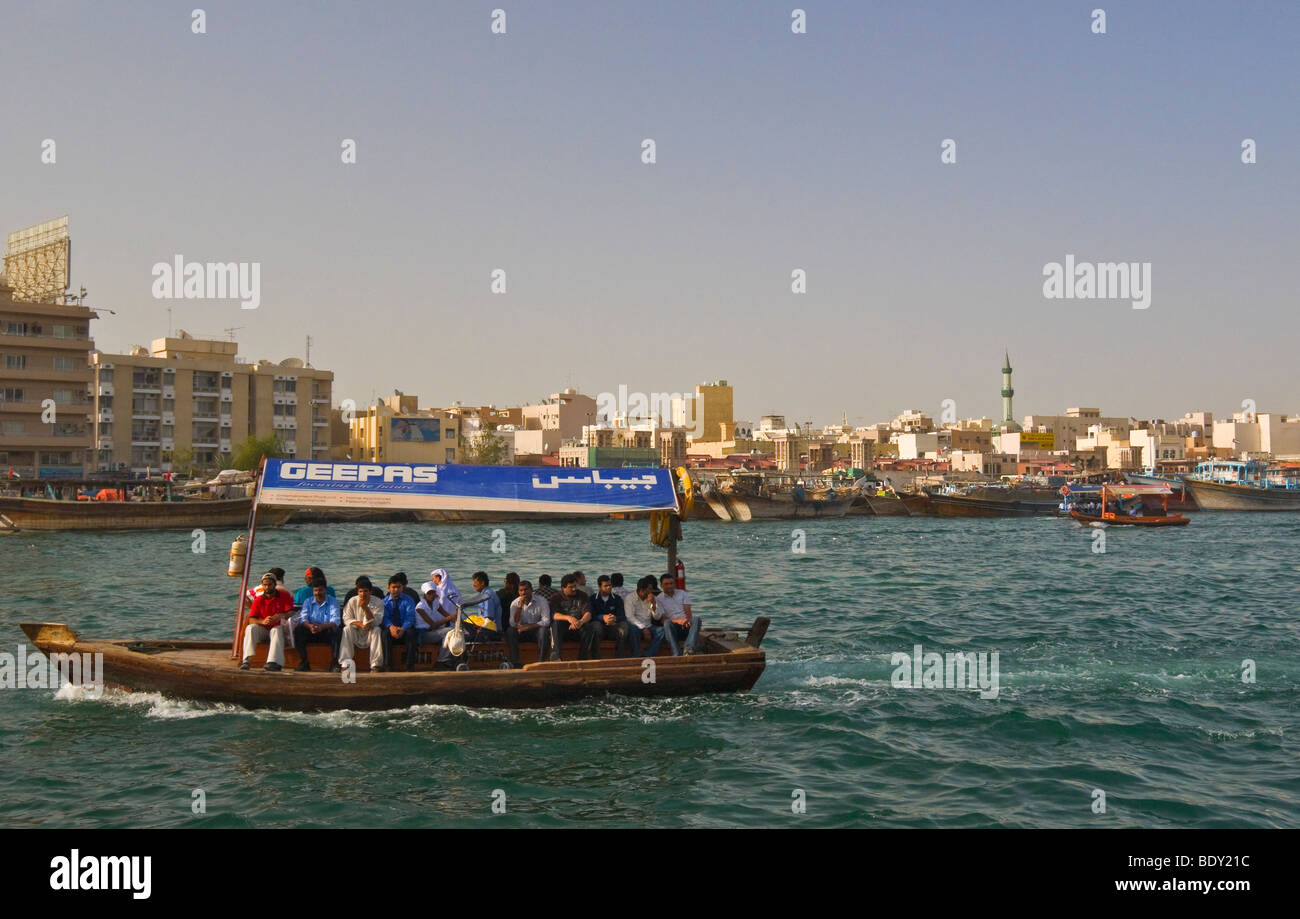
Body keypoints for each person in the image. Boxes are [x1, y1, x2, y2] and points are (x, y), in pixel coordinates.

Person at [240, 571, 295, 671]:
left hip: (278, 628)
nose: (267, 587)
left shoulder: (284, 596)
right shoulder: (259, 600)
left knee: (276, 630)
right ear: (262, 585)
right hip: (264, 629)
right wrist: (262, 622)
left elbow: (291, 612)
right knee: (250, 628)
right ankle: (246, 660)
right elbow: (252, 619)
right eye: (265, 585)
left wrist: (281, 616)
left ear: (274, 584)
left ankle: (273, 662)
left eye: (269, 585)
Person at [292, 576, 342, 671]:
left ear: (325, 590)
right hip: (312, 630)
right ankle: (304, 662)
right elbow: (303, 619)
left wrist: (322, 627)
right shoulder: (308, 601)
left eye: (320, 590)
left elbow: (335, 620)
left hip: (326, 630)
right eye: (315, 591)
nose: (318, 593)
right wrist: (310, 626)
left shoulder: (333, 601)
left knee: (337, 631)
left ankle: (335, 663)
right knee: (299, 630)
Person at [339, 575, 385, 673]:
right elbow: (346, 618)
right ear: (357, 592)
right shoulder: (352, 601)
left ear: (370, 591)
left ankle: (375, 665)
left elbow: (377, 621)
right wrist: (360, 624)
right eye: (360, 591)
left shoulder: (378, 602)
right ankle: (345, 664)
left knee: (377, 630)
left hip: (370, 632)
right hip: (356, 631)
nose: (363, 594)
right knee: (346, 629)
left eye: (365, 591)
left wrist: (365, 608)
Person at [548, 573, 594, 661]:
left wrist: (581, 621)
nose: (574, 589)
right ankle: (557, 656)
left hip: (577, 627)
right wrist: (568, 618)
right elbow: (554, 615)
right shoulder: (556, 597)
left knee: (589, 627)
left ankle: (583, 658)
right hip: (563, 629)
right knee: (556, 623)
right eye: (570, 587)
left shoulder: (582, 595)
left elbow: (588, 613)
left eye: (575, 586)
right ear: (563, 588)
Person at [505, 580, 551, 667]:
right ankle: (515, 662)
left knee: (544, 631)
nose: (523, 592)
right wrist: (519, 608)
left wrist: (529, 626)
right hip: (521, 632)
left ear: (532, 590)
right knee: (510, 631)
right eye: (521, 590)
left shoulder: (542, 601)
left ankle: (542, 661)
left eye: (526, 590)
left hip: (536, 631)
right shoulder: (515, 603)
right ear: (518, 592)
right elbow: (513, 623)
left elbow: (546, 621)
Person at [415, 580, 456, 667]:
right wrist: (450, 618)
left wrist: (457, 619)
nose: (431, 595)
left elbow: (446, 614)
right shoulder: (420, 607)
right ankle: (442, 659)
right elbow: (433, 625)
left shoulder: (436, 602)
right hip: (424, 634)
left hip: (434, 631)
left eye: (433, 592)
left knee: (455, 631)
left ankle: (450, 656)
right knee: (450, 631)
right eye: (429, 593)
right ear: (425, 594)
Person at [623, 575, 667, 657]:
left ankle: (648, 654)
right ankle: (636, 655)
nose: (651, 591)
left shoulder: (653, 598)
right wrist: (643, 628)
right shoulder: (630, 598)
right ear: (642, 590)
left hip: (649, 625)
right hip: (636, 626)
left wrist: (653, 604)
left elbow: (657, 617)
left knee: (662, 631)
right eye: (649, 589)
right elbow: (630, 617)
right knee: (633, 630)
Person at [658, 572, 701, 656]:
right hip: (673, 628)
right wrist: (678, 621)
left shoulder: (682, 593)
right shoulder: (659, 599)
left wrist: (686, 621)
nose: (670, 586)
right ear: (661, 586)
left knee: (696, 619)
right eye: (666, 584)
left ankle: (688, 649)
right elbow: (663, 619)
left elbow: (688, 612)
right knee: (667, 623)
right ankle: (676, 653)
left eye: (671, 583)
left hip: (686, 625)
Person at [382, 574, 418, 671]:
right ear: (388, 588)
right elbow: (384, 618)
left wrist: (403, 628)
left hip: (404, 628)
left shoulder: (409, 600)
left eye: (399, 587)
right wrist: (391, 627)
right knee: (384, 634)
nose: (396, 589)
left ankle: (409, 665)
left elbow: (410, 617)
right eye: (393, 587)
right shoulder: (384, 602)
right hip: (391, 629)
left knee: (411, 633)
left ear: (402, 588)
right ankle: (388, 665)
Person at [589, 575, 629, 657]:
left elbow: (622, 616)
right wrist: (603, 617)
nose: (609, 587)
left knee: (624, 626)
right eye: (605, 586)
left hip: (613, 628)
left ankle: (619, 657)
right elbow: (591, 616)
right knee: (595, 626)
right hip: (600, 629)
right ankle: (596, 657)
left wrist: (614, 619)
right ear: (599, 586)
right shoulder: (592, 599)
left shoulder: (617, 599)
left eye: (610, 585)